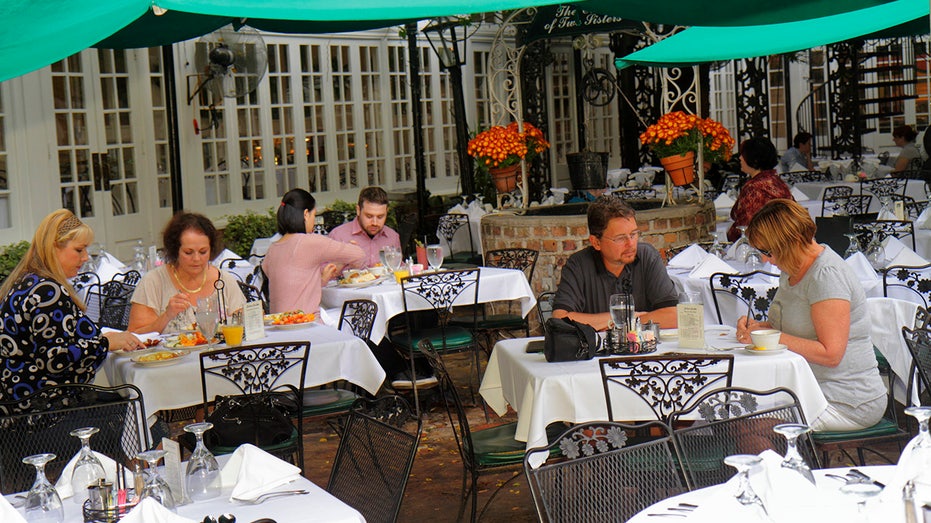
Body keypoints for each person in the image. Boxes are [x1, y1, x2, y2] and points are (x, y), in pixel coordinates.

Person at [735, 199, 885, 431]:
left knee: (745, 424)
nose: (765, 259)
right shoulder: (791, 266)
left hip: (845, 400)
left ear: (790, 243)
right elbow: (793, 328)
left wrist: (771, 337)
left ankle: (787, 455)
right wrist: (758, 328)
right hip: (806, 388)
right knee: (735, 408)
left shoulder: (826, 275)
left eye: (767, 252)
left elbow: (831, 354)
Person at [0, 210, 143, 403]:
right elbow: (55, 359)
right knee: (136, 406)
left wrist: (100, 340)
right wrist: (106, 344)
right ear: (53, 248)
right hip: (45, 407)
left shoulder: (28, 280)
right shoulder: (47, 291)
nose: (85, 257)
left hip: (23, 399)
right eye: (79, 250)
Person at [553, 195, 678, 331]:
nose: (630, 244)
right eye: (620, 238)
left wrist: (614, 323)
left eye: (633, 234)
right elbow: (560, 319)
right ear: (596, 242)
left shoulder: (647, 257)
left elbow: (673, 316)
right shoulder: (578, 265)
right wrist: (622, 319)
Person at [129, 212, 246, 334]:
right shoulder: (153, 282)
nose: (196, 258)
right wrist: (167, 316)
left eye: (203, 252)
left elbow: (243, 325)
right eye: (188, 252)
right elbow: (135, 336)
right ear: (175, 251)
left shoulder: (224, 281)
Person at [262, 188, 365, 314]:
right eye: (314, 215)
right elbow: (359, 255)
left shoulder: (273, 249)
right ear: (306, 214)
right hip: (306, 322)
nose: (314, 222)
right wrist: (350, 254)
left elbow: (292, 290)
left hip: (279, 322)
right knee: (353, 313)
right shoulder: (309, 241)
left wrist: (321, 279)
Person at [727, 137, 794, 242]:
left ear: (754, 160)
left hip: (764, 242)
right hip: (785, 238)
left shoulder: (754, 187)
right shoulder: (775, 181)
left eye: (743, 155)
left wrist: (728, 236)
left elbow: (744, 224)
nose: (740, 158)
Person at [328, 186, 401, 267]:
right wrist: (344, 259)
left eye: (380, 217)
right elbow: (324, 273)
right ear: (358, 210)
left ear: (387, 212)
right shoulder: (338, 236)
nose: (375, 223)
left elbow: (399, 269)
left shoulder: (392, 237)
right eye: (369, 216)